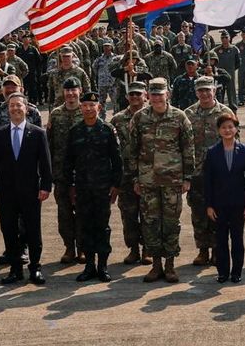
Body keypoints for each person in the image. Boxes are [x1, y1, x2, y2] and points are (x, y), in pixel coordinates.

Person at [126, 78, 195, 283]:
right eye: (153, 94)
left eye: (160, 94)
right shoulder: (139, 118)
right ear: (148, 95)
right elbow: (132, 150)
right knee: (150, 222)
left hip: (173, 180)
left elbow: (188, 149)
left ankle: (170, 265)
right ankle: (156, 264)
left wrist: (187, 177)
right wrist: (135, 178)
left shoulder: (180, 117)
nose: (156, 98)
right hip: (147, 180)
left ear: (168, 94)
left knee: (171, 223)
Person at [0, 93, 53, 285]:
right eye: (12, 106)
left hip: (31, 191)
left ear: (27, 109)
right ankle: (15, 269)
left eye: (19, 105)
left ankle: (35, 267)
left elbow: (45, 163)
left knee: (33, 230)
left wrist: (46, 186)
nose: (15, 109)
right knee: (8, 229)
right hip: (6, 192)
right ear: (8, 110)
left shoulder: (37, 133)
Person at [64, 91, 123, 283]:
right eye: (85, 105)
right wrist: (71, 186)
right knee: (85, 226)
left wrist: (116, 185)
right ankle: (89, 266)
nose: (88, 109)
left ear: (99, 107)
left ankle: (103, 266)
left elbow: (117, 160)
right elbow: (68, 162)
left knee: (102, 227)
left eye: (92, 105)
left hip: (102, 188)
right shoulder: (75, 131)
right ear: (81, 108)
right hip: (82, 188)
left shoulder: (107, 129)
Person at [184, 76, 234, 267]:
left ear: (215, 90)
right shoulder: (188, 114)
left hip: (220, 174)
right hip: (196, 174)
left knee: (219, 212)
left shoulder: (225, 113)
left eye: (208, 90)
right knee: (198, 213)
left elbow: (232, 142)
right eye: (200, 90)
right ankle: (203, 250)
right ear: (196, 92)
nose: (204, 94)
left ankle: (217, 250)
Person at [204, 113, 245, 283]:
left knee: (237, 239)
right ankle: (223, 272)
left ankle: (236, 272)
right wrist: (209, 205)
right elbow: (208, 181)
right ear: (219, 130)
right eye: (224, 127)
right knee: (220, 240)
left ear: (236, 129)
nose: (227, 130)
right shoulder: (212, 152)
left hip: (239, 204)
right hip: (218, 205)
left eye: (231, 127)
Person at [109, 81, 152, 265]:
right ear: (126, 97)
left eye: (138, 94)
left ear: (146, 96)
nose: (135, 97)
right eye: (132, 94)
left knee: (149, 214)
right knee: (128, 214)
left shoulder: (153, 116)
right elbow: (111, 150)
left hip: (149, 174)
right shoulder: (117, 119)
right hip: (126, 176)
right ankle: (133, 249)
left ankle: (148, 251)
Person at [48, 77, 85, 264]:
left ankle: (83, 248)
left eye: (74, 90)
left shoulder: (86, 111)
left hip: (83, 173)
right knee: (64, 213)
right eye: (67, 90)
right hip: (61, 172)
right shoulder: (56, 114)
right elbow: (50, 144)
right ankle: (69, 247)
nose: (70, 94)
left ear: (80, 90)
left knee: (83, 212)